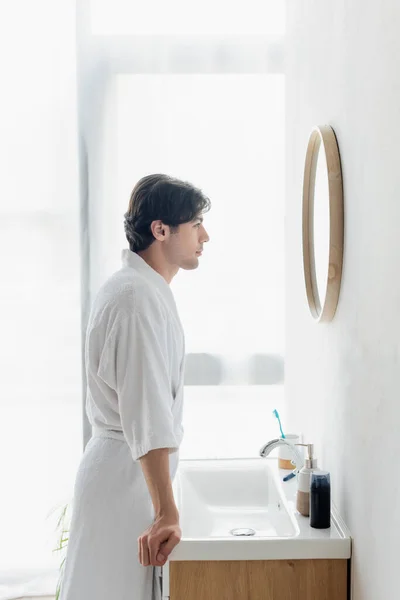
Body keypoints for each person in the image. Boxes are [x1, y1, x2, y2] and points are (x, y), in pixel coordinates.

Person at [59, 174, 211, 600]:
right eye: (196, 223)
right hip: (122, 479)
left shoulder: (142, 290)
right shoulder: (135, 299)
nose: (206, 235)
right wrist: (166, 511)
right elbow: (147, 412)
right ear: (161, 230)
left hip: (124, 474)